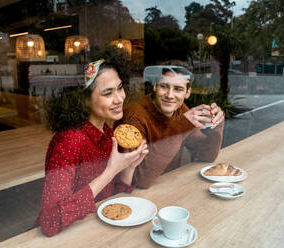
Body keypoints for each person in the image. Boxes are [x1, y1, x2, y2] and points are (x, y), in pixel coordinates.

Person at [35, 59, 148, 237]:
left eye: (120, 88)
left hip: (99, 231)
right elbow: (50, 222)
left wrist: (128, 168)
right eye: (108, 93)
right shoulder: (67, 142)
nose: (120, 98)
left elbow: (112, 199)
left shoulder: (108, 133)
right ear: (84, 99)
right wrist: (110, 172)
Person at [115, 66, 225, 189]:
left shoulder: (180, 109)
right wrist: (180, 125)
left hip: (168, 186)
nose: (170, 95)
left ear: (187, 93)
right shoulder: (135, 117)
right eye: (164, 86)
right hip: (138, 194)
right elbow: (140, 180)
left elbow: (206, 155)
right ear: (155, 86)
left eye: (178, 89)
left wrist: (217, 123)